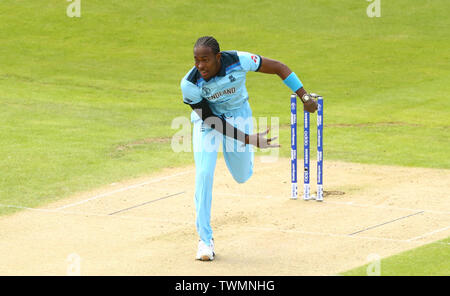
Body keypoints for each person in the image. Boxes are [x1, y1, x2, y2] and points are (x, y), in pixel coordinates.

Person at [180, 36, 318, 261]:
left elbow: (280, 68)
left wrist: (304, 97)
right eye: (196, 60)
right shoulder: (190, 84)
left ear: (217, 57)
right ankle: (205, 240)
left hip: (239, 116)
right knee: (204, 174)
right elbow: (212, 120)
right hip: (209, 123)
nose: (200, 66)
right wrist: (249, 139)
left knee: (242, 176)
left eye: (205, 60)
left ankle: (243, 156)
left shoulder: (239, 60)